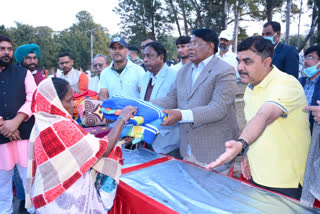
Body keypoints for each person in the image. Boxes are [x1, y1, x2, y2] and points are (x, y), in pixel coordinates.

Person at [206, 36, 311, 200]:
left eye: (247, 62)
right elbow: (253, 124)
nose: (240, 67)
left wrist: (241, 144)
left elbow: (264, 116)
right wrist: (247, 152)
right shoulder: (250, 88)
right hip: (257, 174)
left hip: (284, 181)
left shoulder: (286, 84)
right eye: (238, 61)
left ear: (266, 62)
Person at [25, 77, 137, 213]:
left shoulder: (44, 121)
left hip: (47, 197)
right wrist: (122, 119)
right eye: (70, 100)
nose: (74, 104)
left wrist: (120, 137)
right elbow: (103, 150)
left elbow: (79, 143)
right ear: (56, 103)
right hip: (62, 203)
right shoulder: (61, 126)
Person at [151, 29, 239, 173]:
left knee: (214, 193)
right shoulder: (184, 71)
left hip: (214, 152)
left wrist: (180, 115)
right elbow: (172, 99)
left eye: (196, 44)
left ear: (210, 47)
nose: (190, 48)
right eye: (190, 44)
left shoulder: (225, 71)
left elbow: (218, 109)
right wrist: (144, 105)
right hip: (187, 149)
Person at [0, 34, 37, 214]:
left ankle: (35, 211)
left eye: (9, 49)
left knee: (30, 180)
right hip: (1, 140)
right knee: (2, 184)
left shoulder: (24, 73)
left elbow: (33, 99)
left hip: (23, 135)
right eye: (2, 49)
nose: (6, 52)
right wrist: (4, 126)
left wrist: (15, 121)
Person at [140, 42, 179, 155]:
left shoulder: (175, 76)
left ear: (161, 57)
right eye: (144, 56)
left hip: (167, 139)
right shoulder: (145, 76)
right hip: (147, 135)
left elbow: (176, 104)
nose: (145, 60)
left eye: (149, 56)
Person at [299, 45, 320, 134]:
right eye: (305, 58)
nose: (306, 62)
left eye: (310, 57)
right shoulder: (299, 82)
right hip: (298, 131)